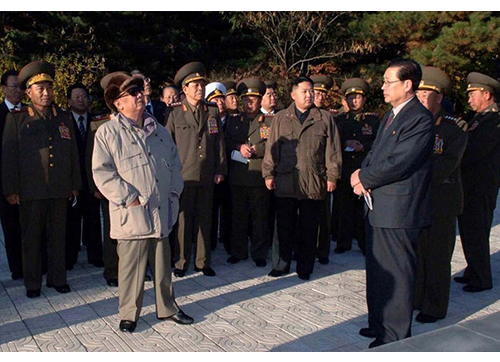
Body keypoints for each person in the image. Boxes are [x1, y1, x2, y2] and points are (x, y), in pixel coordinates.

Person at [92, 71, 193, 333]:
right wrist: (130, 198)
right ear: (118, 102)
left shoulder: (158, 129)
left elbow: (174, 164)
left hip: (161, 209)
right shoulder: (108, 132)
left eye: (139, 91)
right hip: (133, 212)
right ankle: (129, 314)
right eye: (132, 93)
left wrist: (174, 193)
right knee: (130, 269)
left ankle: (167, 307)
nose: (139, 96)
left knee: (162, 265)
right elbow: (102, 173)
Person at [351, 59, 434, 347]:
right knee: (378, 269)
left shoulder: (419, 119)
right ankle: (379, 324)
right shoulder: (392, 114)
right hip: (379, 206)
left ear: (408, 84)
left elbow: (400, 162)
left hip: (399, 210)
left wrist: (365, 177)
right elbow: (376, 152)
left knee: (397, 273)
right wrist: (362, 172)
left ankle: (396, 336)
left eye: (389, 81)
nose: (383, 86)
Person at [2, 60, 81, 298]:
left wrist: (75, 184)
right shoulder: (17, 119)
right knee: (31, 238)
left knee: (58, 236)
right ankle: (33, 282)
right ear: (29, 92)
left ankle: (58, 278)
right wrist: (11, 189)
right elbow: (9, 157)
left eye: (49, 88)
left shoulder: (63, 117)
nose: (46, 93)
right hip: (30, 190)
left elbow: (73, 153)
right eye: (40, 89)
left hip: (59, 188)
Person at [262, 76, 342, 280]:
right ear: (293, 94)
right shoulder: (281, 118)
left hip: (313, 180)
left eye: (311, 91)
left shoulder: (324, 118)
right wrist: (268, 173)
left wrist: (332, 176)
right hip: (286, 179)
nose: (310, 95)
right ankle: (281, 264)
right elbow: (272, 149)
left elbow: (332, 152)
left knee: (309, 227)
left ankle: (305, 266)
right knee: (283, 226)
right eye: (305, 91)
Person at [413, 66, 468, 323]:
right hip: (417, 201)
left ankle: (435, 307)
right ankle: (417, 297)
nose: (422, 99)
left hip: (442, 202)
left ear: (439, 97)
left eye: (427, 94)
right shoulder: (414, 123)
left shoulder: (453, 128)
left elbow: (446, 164)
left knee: (437, 257)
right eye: (419, 93)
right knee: (418, 253)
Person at [166, 62, 227, 277]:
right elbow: (168, 146)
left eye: (202, 84)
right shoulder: (175, 114)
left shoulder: (211, 111)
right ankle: (181, 262)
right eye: (195, 85)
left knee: (205, 219)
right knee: (183, 221)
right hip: (184, 176)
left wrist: (220, 169)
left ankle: (203, 261)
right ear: (185, 89)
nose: (200, 89)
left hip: (207, 174)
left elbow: (219, 142)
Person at [455, 72, 500, 293]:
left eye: (473, 94)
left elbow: (474, 152)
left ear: (487, 94)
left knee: (477, 231)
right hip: (469, 185)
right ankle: (473, 269)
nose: (470, 99)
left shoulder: (493, 122)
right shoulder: (478, 119)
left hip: (481, 187)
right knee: (469, 231)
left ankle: (481, 278)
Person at [225, 78, 271, 267]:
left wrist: (256, 151)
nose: (249, 103)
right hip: (238, 176)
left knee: (260, 218)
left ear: (260, 100)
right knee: (238, 217)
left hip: (259, 175)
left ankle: (259, 253)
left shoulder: (268, 122)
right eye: (246, 100)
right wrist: (238, 146)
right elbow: (224, 143)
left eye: (253, 99)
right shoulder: (234, 120)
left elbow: (272, 145)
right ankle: (239, 251)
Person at [335, 78, 379, 255]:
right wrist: (345, 141)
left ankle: (364, 242)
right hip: (345, 168)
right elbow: (333, 141)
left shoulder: (373, 120)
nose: (354, 101)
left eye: (358, 97)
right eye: (351, 98)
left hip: (363, 168)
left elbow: (379, 143)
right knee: (343, 207)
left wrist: (364, 147)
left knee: (363, 209)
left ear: (364, 99)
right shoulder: (340, 120)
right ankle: (343, 242)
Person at [65, 83, 103, 270]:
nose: (81, 100)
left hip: (93, 179)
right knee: (71, 221)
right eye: (77, 96)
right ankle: (69, 257)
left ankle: (96, 255)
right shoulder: (63, 122)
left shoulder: (97, 121)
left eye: (84, 96)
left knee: (93, 219)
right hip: (72, 179)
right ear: (69, 101)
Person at [0, 70, 24, 280]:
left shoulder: (30, 112)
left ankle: (35, 264)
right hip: (6, 182)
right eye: (13, 86)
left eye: (20, 86)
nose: (18, 90)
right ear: (3, 89)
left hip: (31, 181)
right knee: (11, 227)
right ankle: (17, 268)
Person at [205, 82, 232, 253]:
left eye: (222, 99)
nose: (220, 103)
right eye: (215, 100)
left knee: (229, 209)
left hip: (231, 171)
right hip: (213, 171)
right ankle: (211, 242)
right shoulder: (209, 119)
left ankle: (228, 240)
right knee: (211, 210)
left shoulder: (236, 119)